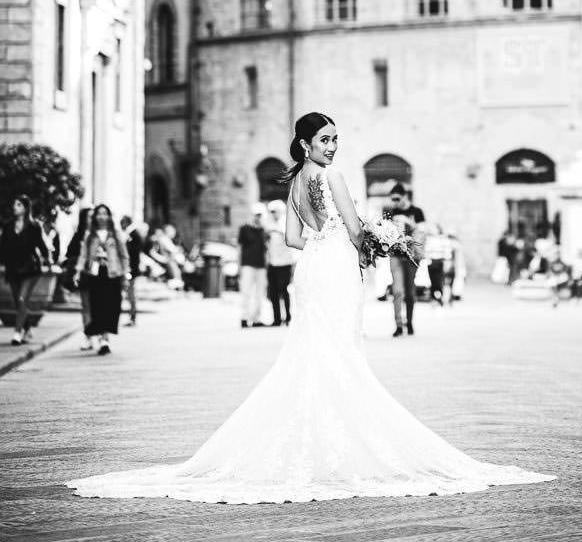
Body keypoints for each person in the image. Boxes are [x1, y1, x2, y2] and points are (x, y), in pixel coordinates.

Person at [68, 111, 555, 502]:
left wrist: (333, 245)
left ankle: (317, 437)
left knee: (313, 350)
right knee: (340, 349)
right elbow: (355, 226)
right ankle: (342, 442)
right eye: (324, 139)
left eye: (335, 139)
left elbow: (294, 238)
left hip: (313, 271)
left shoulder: (295, 181)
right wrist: (379, 238)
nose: (332, 146)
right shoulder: (333, 176)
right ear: (305, 143)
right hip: (336, 271)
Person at [75, 204, 130, 356]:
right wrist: (78, 272)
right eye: (99, 213)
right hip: (95, 274)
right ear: (95, 217)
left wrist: (126, 274)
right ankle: (101, 338)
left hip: (112, 273)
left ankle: (104, 338)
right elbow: (83, 255)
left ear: (109, 216)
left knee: (110, 306)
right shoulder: (90, 235)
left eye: (105, 213)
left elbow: (124, 255)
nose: (101, 216)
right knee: (97, 307)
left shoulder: (115, 233)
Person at [0, 196, 51, 345]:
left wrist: (48, 260)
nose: (15, 207)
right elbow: (3, 247)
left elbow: (41, 245)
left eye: (19, 205)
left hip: (30, 268)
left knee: (22, 299)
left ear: (26, 208)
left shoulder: (34, 226)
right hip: (13, 269)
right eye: (14, 205)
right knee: (18, 302)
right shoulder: (8, 226)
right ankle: (27, 329)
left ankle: (17, 333)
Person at [384, 183, 425, 337]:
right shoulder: (391, 212)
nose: (394, 202)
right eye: (392, 199)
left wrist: (408, 222)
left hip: (412, 255)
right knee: (397, 291)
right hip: (395, 254)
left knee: (410, 291)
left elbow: (422, 231)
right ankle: (398, 325)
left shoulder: (417, 211)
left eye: (397, 198)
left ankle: (410, 322)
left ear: (405, 196)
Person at [64, 207, 94, 349]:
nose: (92, 218)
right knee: (86, 306)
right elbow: (70, 253)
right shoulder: (79, 235)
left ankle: (100, 335)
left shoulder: (100, 234)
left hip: (99, 274)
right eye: (89, 216)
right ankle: (88, 336)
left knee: (98, 306)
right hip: (84, 274)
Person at [265, 201, 295, 327]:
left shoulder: (285, 222)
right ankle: (277, 319)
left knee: (284, 291)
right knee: (273, 292)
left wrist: (276, 230)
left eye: (274, 211)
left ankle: (288, 317)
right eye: (271, 211)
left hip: (285, 262)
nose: (272, 214)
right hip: (273, 263)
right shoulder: (269, 223)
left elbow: (289, 238)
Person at [238, 204, 268, 328]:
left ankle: (256, 319)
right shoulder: (244, 229)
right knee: (246, 292)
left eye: (260, 215)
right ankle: (244, 318)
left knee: (260, 294)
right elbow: (239, 248)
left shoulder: (264, 230)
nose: (257, 217)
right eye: (256, 215)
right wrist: (239, 266)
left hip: (261, 266)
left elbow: (267, 249)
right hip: (247, 265)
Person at [120, 216, 143, 326]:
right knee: (129, 294)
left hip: (131, 270)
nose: (121, 226)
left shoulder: (133, 235)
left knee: (131, 294)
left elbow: (132, 254)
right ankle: (131, 316)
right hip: (130, 269)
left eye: (122, 223)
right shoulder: (132, 234)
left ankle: (133, 317)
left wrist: (129, 269)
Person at [425, 225, 454, 306]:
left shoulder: (443, 239)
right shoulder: (429, 239)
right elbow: (426, 251)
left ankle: (439, 297)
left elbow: (447, 252)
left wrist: (446, 262)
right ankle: (433, 297)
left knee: (439, 281)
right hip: (431, 262)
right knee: (432, 281)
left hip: (440, 262)